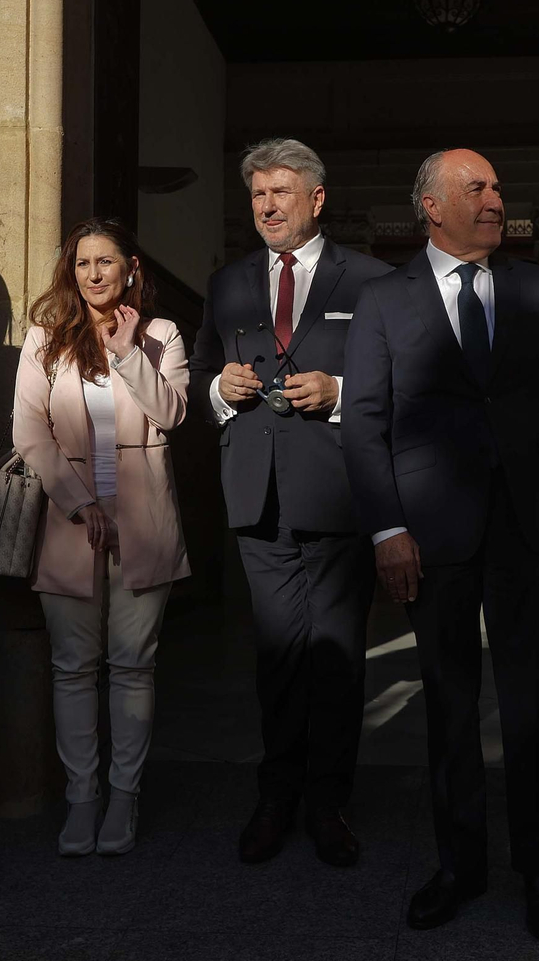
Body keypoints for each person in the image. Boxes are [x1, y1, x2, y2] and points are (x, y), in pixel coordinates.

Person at [343, 148, 539, 941]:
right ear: (431, 206)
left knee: (532, 704)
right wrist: (388, 528)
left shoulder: (533, 287)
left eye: (497, 186)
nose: (496, 198)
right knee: (449, 705)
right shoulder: (384, 300)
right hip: (431, 535)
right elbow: (365, 423)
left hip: (527, 528)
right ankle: (459, 866)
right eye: (477, 188)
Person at [186, 139, 392, 867]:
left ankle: (327, 803)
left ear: (317, 198)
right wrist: (219, 389)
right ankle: (275, 797)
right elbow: (199, 373)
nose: (267, 206)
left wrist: (340, 393)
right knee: (276, 658)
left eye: (281, 192)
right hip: (257, 493)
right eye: (257, 195)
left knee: (336, 658)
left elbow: (399, 381)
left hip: (337, 492)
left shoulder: (370, 280)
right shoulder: (227, 282)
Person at [13, 218, 190, 858]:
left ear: (130, 268)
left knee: (134, 666)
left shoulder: (161, 334)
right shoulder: (45, 338)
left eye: (105, 261)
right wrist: (79, 501)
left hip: (145, 518)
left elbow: (171, 413)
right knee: (72, 669)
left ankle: (123, 797)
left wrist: (125, 350)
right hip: (71, 520)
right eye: (82, 262)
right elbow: (28, 431)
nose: (93, 273)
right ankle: (81, 798)